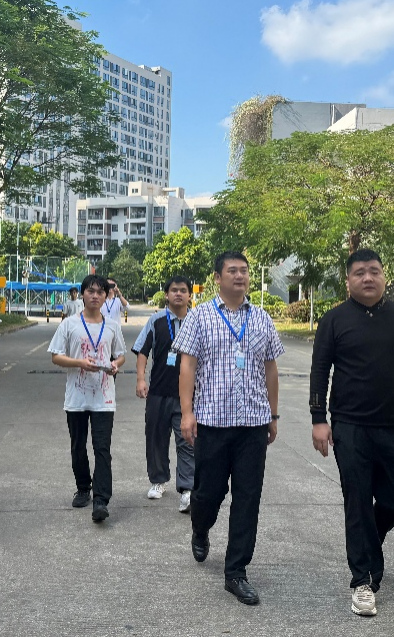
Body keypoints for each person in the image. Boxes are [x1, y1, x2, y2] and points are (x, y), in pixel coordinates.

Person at [309, 248, 394, 617]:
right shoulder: (334, 320)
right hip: (349, 427)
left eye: (374, 271)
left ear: (385, 276)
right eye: (359, 272)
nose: (367, 278)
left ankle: (370, 538)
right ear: (348, 280)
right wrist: (318, 418)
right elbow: (319, 371)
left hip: (392, 426)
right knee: (357, 500)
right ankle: (363, 581)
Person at [173, 251, 284, 606]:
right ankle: (200, 527)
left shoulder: (262, 318)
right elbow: (187, 366)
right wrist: (187, 413)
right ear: (217, 278)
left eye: (244, 271)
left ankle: (236, 571)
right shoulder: (200, 316)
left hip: (253, 424)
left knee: (248, 497)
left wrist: (273, 414)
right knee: (209, 493)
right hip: (213, 422)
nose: (240, 276)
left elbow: (271, 368)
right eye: (232, 271)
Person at [48, 274, 127, 523]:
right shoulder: (69, 324)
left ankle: (101, 499)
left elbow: (121, 355)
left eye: (100, 292)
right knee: (78, 446)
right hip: (76, 397)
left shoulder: (112, 326)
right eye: (90, 291)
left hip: (104, 397)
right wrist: (79, 363)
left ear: (106, 296)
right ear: (82, 294)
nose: (95, 296)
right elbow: (55, 356)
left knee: (102, 448)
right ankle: (83, 488)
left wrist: (115, 364)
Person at [133, 275, 195, 512]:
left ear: (189, 295)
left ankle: (187, 489)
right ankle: (158, 481)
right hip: (158, 391)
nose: (178, 294)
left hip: (187, 395)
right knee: (156, 438)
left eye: (183, 290)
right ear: (167, 295)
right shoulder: (156, 320)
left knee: (187, 440)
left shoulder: (197, 321)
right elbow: (142, 350)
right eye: (174, 290)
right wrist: (141, 379)